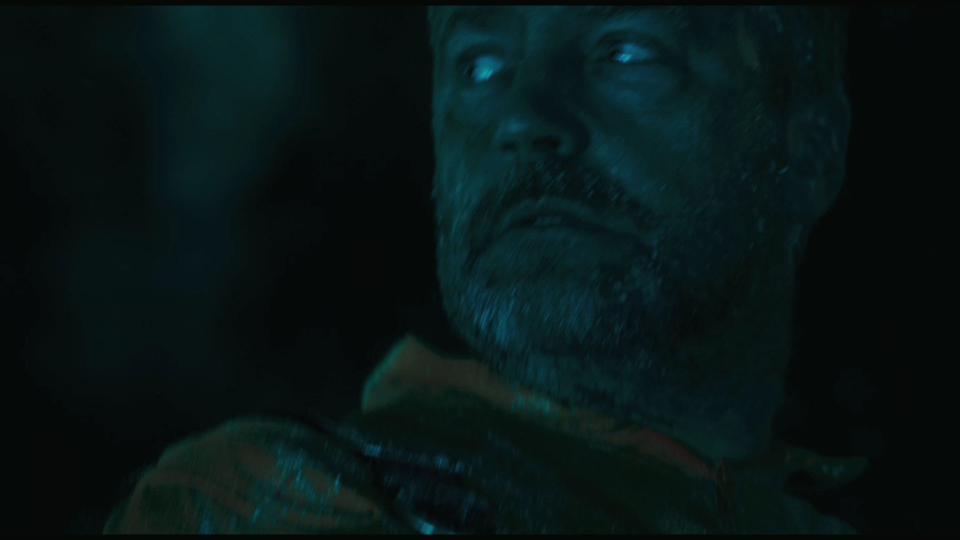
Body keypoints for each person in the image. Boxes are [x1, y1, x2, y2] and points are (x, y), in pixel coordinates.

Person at [103, 6, 867, 534]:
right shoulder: (279, 498)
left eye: (627, 53)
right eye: (481, 65)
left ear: (810, 151)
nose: (524, 116)